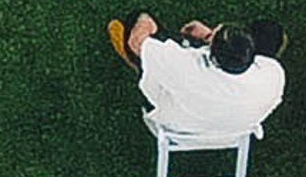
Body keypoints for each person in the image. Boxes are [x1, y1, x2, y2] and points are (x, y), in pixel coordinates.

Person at [106, 12, 286, 135]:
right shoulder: (274, 75)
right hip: (230, 133)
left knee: (142, 23)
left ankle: (138, 65)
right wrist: (209, 36)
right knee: (269, 30)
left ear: (211, 54)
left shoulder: (185, 68)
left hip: (176, 125)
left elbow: (137, 42)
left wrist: (145, 20)